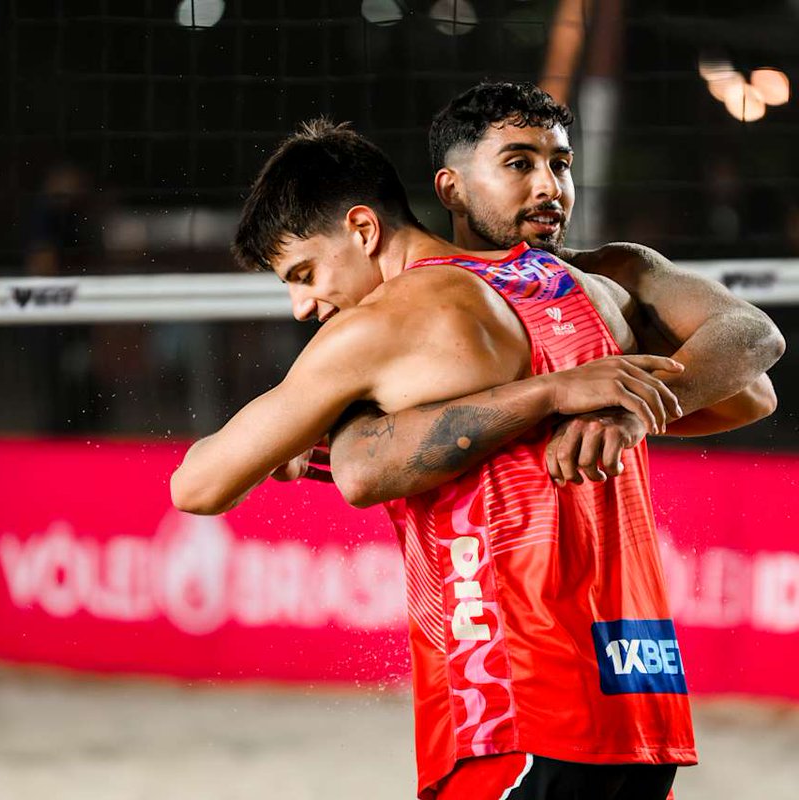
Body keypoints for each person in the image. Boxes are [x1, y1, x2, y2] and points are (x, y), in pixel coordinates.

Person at [170, 118, 779, 799]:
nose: (304, 304)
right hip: (641, 706)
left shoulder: (383, 326)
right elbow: (750, 385)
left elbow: (201, 484)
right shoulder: (585, 286)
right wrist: (604, 402)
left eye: (305, 273)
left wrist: (319, 439)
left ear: (364, 230)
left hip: (513, 715)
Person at [327, 82, 782, 504]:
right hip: (477, 578)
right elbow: (361, 469)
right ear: (452, 190)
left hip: (604, 565)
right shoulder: (408, 306)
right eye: (519, 163)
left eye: (560, 165)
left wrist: (628, 413)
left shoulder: (611, 274)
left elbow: (755, 363)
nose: (550, 188)